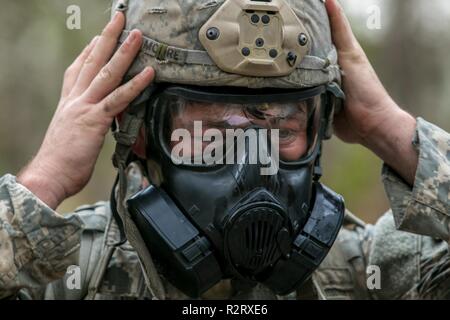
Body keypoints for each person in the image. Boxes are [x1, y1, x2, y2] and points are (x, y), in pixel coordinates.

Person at [0, 0, 449, 300]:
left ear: (322, 128)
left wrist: (390, 130)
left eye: (281, 125)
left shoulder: (364, 272)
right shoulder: (66, 272)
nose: (251, 162)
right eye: (214, 128)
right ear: (135, 131)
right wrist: (47, 180)